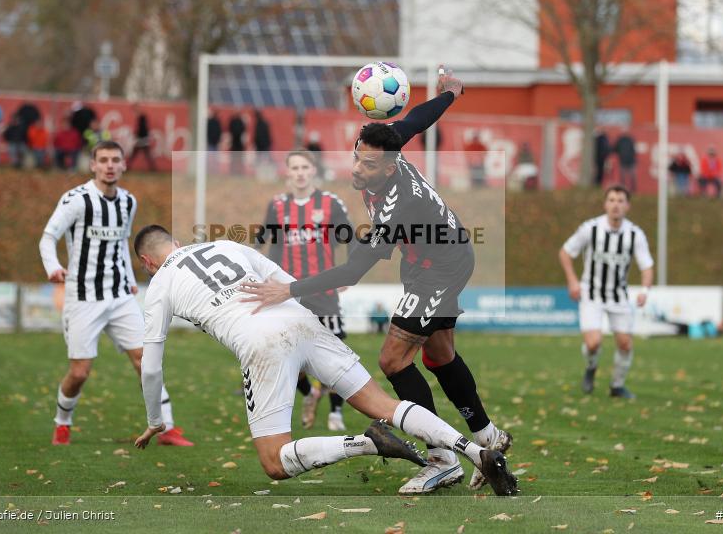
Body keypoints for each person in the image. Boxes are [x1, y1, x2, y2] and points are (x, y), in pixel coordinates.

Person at [240, 67, 512, 495]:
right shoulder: (388, 144)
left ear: (389, 166)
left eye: (369, 165)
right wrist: (450, 94)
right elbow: (418, 119)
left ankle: (441, 461)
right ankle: (489, 438)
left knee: (393, 361)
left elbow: (352, 271)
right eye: (357, 158)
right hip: (429, 258)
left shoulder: (396, 205)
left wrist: (287, 289)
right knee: (438, 357)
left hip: (440, 266)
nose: (359, 169)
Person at [131, 228, 518, 496]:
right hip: (300, 319)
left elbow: (150, 365)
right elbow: (285, 279)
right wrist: (300, 339)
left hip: (259, 343)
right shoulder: (227, 245)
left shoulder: (160, 284)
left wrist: (154, 421)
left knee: (274, 461)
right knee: (385, 404)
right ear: (178, 242)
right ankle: (476, 453)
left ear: (148, 262)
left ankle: (366, 444)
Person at [38, 141, 191, 447]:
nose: (109, 165)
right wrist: (53, 265)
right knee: (80, 372)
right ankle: (62, 423)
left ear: (123, 165)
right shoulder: (77, 200)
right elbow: (48, 236)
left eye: (115, 160)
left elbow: (121, 242)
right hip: (83, 297)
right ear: (93, 165)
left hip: (120, 295)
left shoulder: (127, 201)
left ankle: (168, 427)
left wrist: (129, 275)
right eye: (103, 160)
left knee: (145, 359)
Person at [257, 149, 353, 431]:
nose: (299, 172)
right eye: (294, 168)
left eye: (304, 167)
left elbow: (350, 238)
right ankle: (310, 393)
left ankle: (336, 413)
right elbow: (266, 242)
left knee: (337, 353)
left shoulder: (330, 203)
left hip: (323, 290)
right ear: (288, 172)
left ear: (314, 171)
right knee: (282, 351)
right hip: (287, 292)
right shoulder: (277, 205)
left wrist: (351, 272)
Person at [558, 185, 654, 400]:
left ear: (627, 206)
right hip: (591, 295)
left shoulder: (635, 234)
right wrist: (573, 281)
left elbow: (647, 266)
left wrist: (645, 290)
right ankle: (591, 367)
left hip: (618, 296)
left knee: (625, 344)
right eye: (611, 200)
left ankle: (617, 386)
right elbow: (565, 252)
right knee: (593, 343)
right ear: (605, 204)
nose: (616, 205)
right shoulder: (590, 228)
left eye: (620, 201)